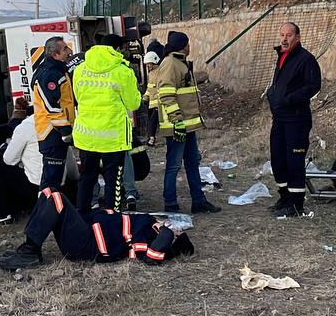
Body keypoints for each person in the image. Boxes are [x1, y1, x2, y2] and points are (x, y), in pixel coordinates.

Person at [0, 187, 194, 269]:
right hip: (87, 229)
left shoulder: (151, 238)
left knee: (56, 199)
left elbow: (153, 257)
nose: (173, 228)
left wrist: (167, 233)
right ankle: (29, 248)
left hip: (87, 245)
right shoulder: (151, 225)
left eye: (177, 233)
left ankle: (30, 252)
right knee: (49, 191)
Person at [153, 31, 221, 215]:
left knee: (192, 163)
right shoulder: (170, 64)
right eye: (188, 44)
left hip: (187, 125)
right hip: (178, 126)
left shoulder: (179, 63)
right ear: (183, 46)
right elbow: (166, 94)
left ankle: (198, 201)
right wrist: (177, 122)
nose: (190, 47)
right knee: (174, 165)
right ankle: (171, 204)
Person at [71, 34, 141, 212]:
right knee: (113, 181)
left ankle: (82, 217)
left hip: (87, 136)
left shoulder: (80, 69)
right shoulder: (122, 71)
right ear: (117, 49)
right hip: (112, 137)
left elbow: (78, 97)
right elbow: (134, 103)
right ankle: (111, 218)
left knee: (87, 177)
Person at [266, 22, 322, 218]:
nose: (284, 38)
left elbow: (314, 85)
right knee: (278, 159)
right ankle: (285, 197)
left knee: (294, 160)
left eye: (289, 35)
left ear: (297, 37)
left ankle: (296, 204)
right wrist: (273, 98)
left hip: (296, 119)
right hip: (279, 118)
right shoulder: (282, 56)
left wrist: (289, 99)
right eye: (282, 34)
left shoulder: (305, 59)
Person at [32, 36, 76, 190]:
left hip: (56, 132)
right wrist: (65, 129)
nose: (69, 52)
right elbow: (51, 106)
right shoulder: (49, 74)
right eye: (65, 49)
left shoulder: (58, 71)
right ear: (54, 54)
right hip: (51, 132)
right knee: (50, 180)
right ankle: (44, 211)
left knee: (55, 179)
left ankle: (50, 210)